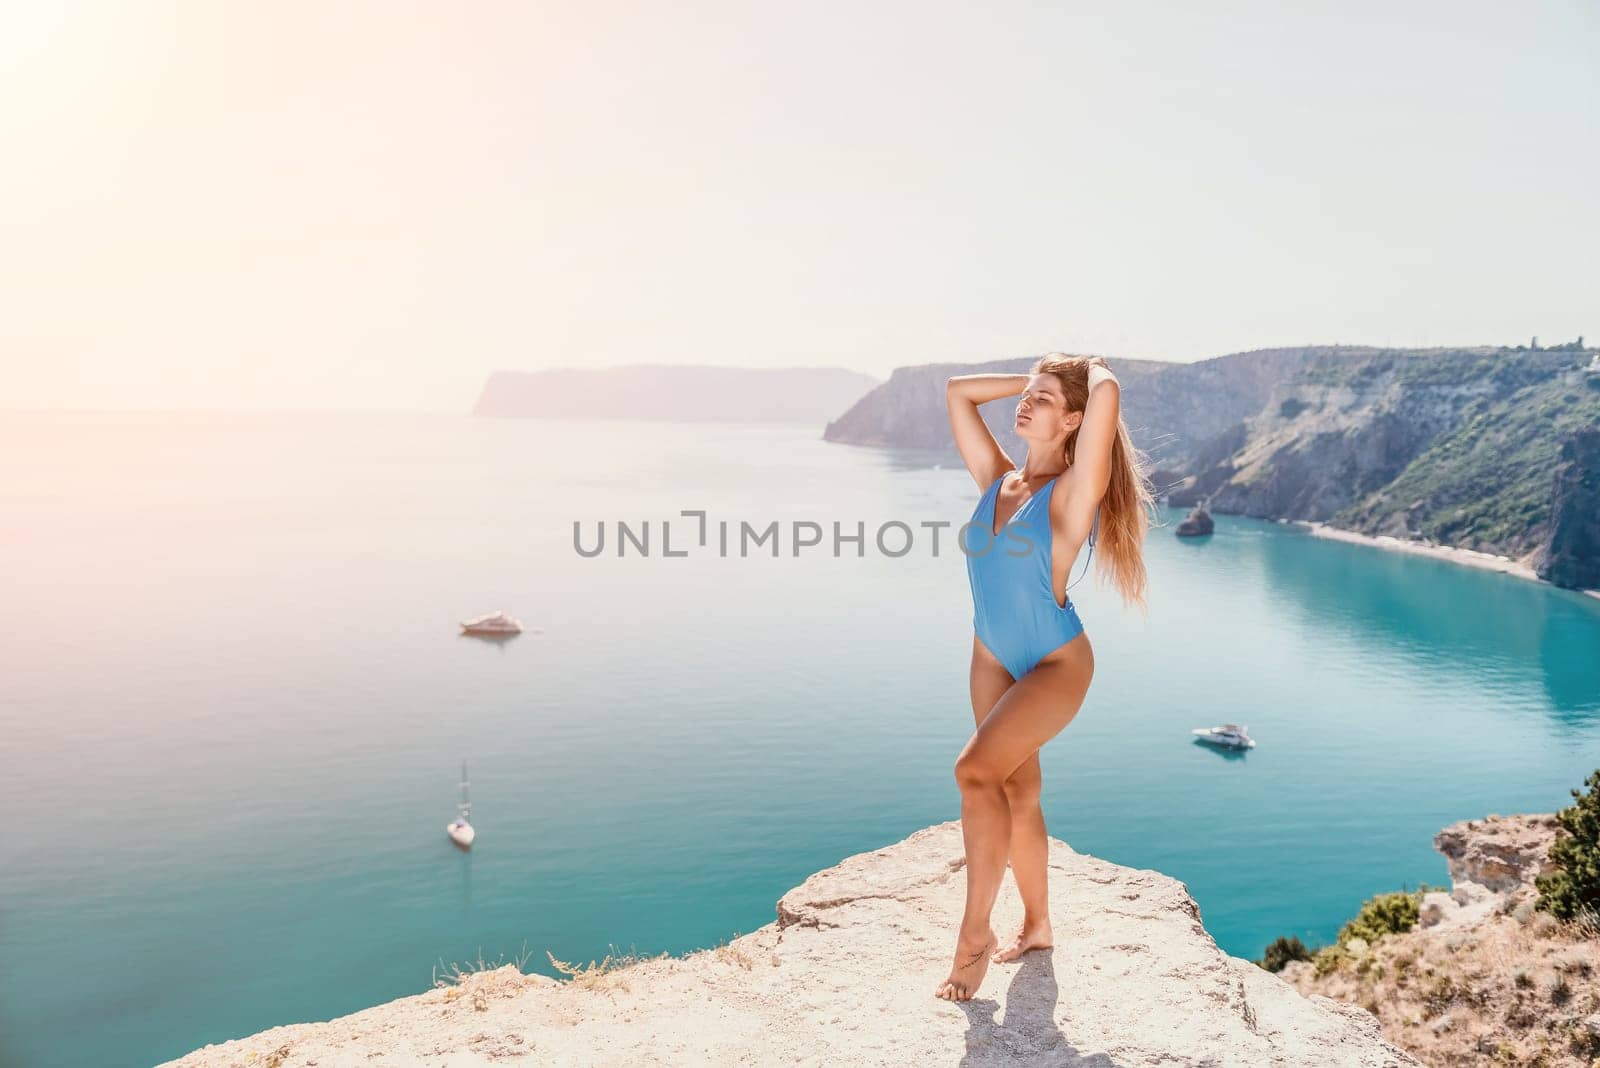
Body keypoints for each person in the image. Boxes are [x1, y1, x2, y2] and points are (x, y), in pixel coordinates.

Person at [934, 353, 1155, 1001]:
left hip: (1055, 662)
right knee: (1015, 792)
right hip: (990, 657)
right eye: (1026, 398)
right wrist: (1034, 377)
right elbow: (957, 393)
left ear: (1076, 421)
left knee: (974, 772)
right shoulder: (995, 480)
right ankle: (1038, 925)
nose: (1025, 406)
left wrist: (1094, 367)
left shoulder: (1073, 493)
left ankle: (974, 936)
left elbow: (1107, 399)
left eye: (1045, 401)